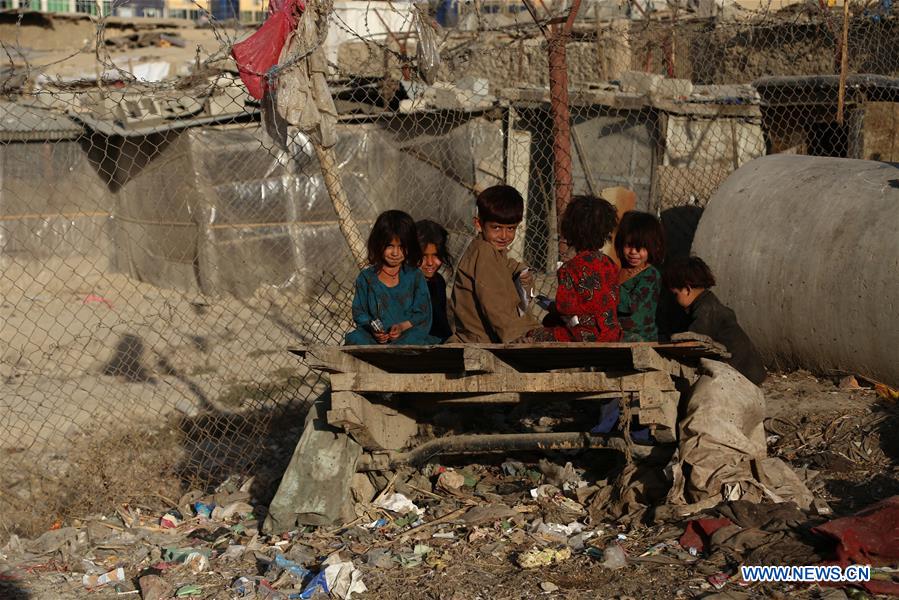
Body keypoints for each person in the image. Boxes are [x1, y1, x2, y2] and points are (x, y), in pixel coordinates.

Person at [449, 185, 538, 343]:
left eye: (511, 228)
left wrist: (524, 277)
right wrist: (518, 336)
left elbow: (518, 281)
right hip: (482, 340)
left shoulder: (496, 254)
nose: (504, 236)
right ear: (478, 224)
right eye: (496, 227)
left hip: (487, 337)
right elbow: (495, 304)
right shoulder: (484, 254)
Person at [528, 195, 622, 342]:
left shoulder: (571, 267)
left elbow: (565, 306)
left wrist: (552, 307)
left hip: (584, 334)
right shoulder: (609, 263)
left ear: (569, 230)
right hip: (612, 333)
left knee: (532, 334)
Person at [663, 256, 766, 384]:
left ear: (687, 289)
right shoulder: (707, 304)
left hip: (743, 375)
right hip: (747, 371)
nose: (674, 299)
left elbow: (691, 343)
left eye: (675, 294)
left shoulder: (706, 310)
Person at [345, 210, 438, 346]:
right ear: (378, 244)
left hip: (407, 335)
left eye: (401, 247)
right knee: (355, 338)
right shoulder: (366, 278)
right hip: (374, 340)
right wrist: (374, 330)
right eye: (389, 246)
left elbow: (423, 313)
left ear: (410, 246)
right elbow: (359, 312)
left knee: (414, 339)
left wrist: (402, 327)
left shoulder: (414, 276)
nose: (395, 253)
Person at [615, 211, 665, 342]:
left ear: (653, 247)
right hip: (617, 333)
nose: (633, 252)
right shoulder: (619, 271)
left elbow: (631, 305)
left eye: (641, 248)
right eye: (629, 245)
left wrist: (608, 287)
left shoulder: (651, 275)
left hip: (641, 338)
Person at [416, 219, 453, 342]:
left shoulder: (438, 282)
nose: (430, 263)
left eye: (436, 255)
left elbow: (442, 326)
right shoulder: (405, 284)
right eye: (423, 256)